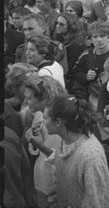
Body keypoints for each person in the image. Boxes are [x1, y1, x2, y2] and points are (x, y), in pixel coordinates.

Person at [43, 94, 109, 207]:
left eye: (45, 118)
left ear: (58, 122)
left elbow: (95, 201)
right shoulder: (64, 142)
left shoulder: (90, 155)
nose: (43, 122)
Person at [23, 75, 67, 206]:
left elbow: (63, 160)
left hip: (54, 192)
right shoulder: (38, 115)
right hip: (42, 184)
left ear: (44, 99)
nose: (26, 102)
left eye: (30, 98)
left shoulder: (60, 123)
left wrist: (40, 145)